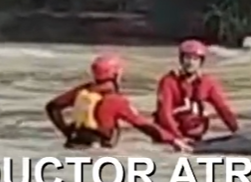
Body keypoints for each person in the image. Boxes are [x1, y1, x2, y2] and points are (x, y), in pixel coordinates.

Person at [45, 54, 190, 151]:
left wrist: (66, 131)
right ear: (115, 75)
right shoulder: (116, 100)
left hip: (72, 145)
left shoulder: (83, 91)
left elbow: (52, 107)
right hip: (98, 151)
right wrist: (173, 140)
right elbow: (143, 125)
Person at [154, 39, 240, 142]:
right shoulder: (168, 81)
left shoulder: (207, 82)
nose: (191, 62)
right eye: (187, 58)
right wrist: (177, 138)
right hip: (170, 137)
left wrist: (236, 131)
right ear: (181, 59)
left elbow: (223, 109)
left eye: (195, 59)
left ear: (201, 61)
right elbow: (164, 114)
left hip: (195, 136)